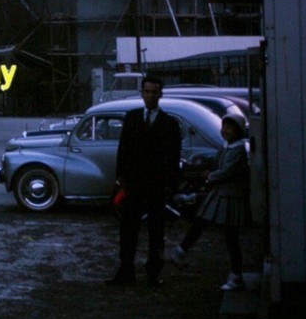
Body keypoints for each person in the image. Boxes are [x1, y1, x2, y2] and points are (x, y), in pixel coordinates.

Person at [106, 73, 182, 287]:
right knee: (128, 230)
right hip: (133, 184)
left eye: (154, 92)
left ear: (160, 94)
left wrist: (171, 186)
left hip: (156, 185)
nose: (150, 96)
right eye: (147, 92)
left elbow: (174, 156)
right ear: (141, 94)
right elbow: (123, 149)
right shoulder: (132, 118)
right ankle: (125, 271)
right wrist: (121, 177)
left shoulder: (169, 124)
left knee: (156, 232)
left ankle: (153, 274)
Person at [170, 110, 251, 291]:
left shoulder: (237, 150)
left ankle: (236, 275)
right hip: (222, 194)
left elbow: (226, 171)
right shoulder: (227, 147)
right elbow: (215, 163)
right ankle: (182, 249)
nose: (226, 131)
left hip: (232, 197)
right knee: (201, 221)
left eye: (230, 128)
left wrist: (209, 175)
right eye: (224, 127)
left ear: (237, 131)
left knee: (230, 237)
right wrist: (197, 167)